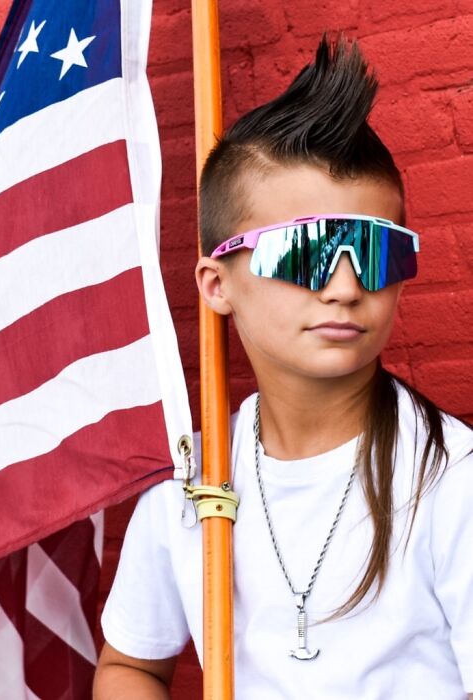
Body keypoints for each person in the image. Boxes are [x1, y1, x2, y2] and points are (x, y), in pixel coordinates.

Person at [93, 35, 473, 699]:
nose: (346, 286)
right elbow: (131, 666)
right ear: (217, 284)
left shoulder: (450, 485)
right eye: (306, 252)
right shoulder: (188, 486)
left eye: (378, 252)